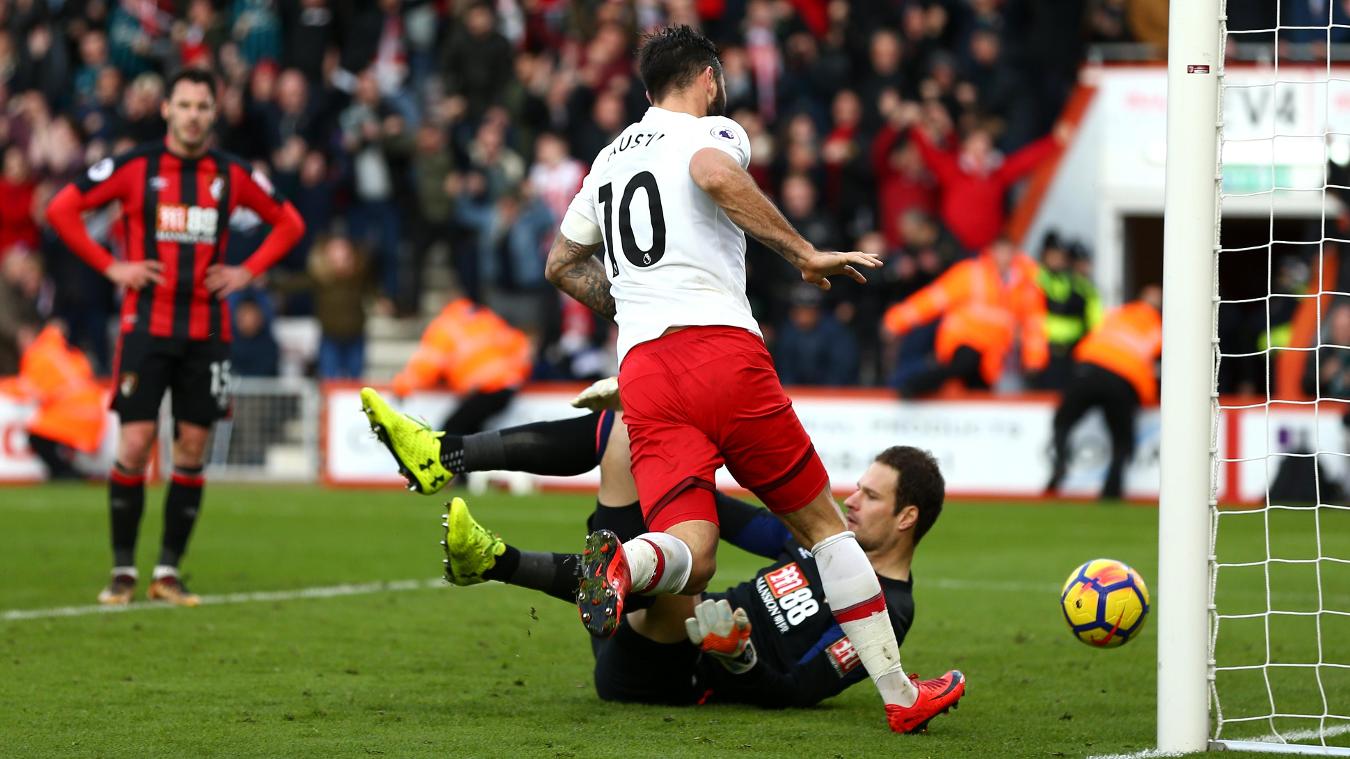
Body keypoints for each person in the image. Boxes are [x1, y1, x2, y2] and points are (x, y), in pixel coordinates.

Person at [365, 26, 964, 734]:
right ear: (707, 78)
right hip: (721, 349)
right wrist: (803, 253)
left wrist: (639, 308)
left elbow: (561, 263)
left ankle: (619, 567)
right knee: (828, 531)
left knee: (694, 550)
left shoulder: (608, 159)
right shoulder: (714, 132)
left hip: (643, 365)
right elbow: (714, 176)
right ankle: (900, 697)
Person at [45, 68, 305, 606]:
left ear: (214, 113)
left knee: (192, 447)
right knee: (136, 444)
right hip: (146, 326)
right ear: (165, 109)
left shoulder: (232, 174)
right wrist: (111, 266)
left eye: (203, 106)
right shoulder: (134, 166)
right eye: (184, 105)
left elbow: (291, 225)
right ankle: (122, 570)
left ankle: (167, 570)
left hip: (207, 330)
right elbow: (61, 208)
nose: (193, 115)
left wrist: (245, 272)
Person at [883, 236, 1048, 397]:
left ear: (1015, 254)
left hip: (993, 352)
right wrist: (896, 321)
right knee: (964, 364)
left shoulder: (1025, 286)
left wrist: (1034, 361)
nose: (1003, 257)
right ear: (992, 252)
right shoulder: (970, 273)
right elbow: (933, 300)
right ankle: (914, 385)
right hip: (963, 338)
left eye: (1007, 252)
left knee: (977, 387)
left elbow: (1034, 326)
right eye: (1000, 251)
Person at [1046, 285, 1163, 500]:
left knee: (1062, 422)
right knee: (1122, 440)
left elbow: (1092, 334)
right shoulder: (1159, 327)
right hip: (1124, 381)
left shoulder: (1117, 314)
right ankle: (1111, 491)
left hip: (1090, 370)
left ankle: (1060, 463)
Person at [389, 296, 532, 441]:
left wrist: (402, 385)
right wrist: (515, 376)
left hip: (484, 390)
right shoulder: (486, 317)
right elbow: (521, 347)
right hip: (506, 386)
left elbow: (426, 365)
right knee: (471, 434)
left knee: (449, 436)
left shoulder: (445, 326)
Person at [0, 323, 108, 480]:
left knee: (36, 436)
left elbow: (33, 390)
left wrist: (5, 386)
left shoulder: (38, 354)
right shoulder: (64, 351)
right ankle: (70, 471)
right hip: (93, 410)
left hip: (71, 410)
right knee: (50, 438)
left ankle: (65, 474)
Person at [1037, 233, 1102, 390]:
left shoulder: (1082, 287)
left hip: (1073, 352)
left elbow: (1096, 323)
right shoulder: (1036, 277)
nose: (1083, 266)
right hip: (1045, 351)